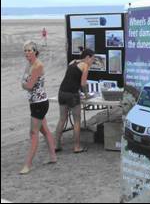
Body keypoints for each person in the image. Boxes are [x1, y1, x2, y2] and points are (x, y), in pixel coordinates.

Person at [20, 41, 57, 175]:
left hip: (39, 104)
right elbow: (25, 82)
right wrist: (25, 83)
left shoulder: (37, 66)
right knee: (45, 130)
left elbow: (28, 85)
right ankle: (53, 156)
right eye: (25, 50)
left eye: (29, 50)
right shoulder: (29, 64)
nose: (27, 53)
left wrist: (24, 84)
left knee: (33, 133)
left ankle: (27, 165)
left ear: (35, 51)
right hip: (35, 102)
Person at [55, 49, 95, 153]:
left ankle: (56, 145)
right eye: (92, 58)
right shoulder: (85, 66)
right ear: (87, 57)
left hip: (62, 92)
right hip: (72, 94)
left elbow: (70, 78)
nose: (93, 61)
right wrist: (86, 95)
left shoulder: (72, 62)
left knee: (62, 119)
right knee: (77, 121)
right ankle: (77, 147)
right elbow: (83, 84)